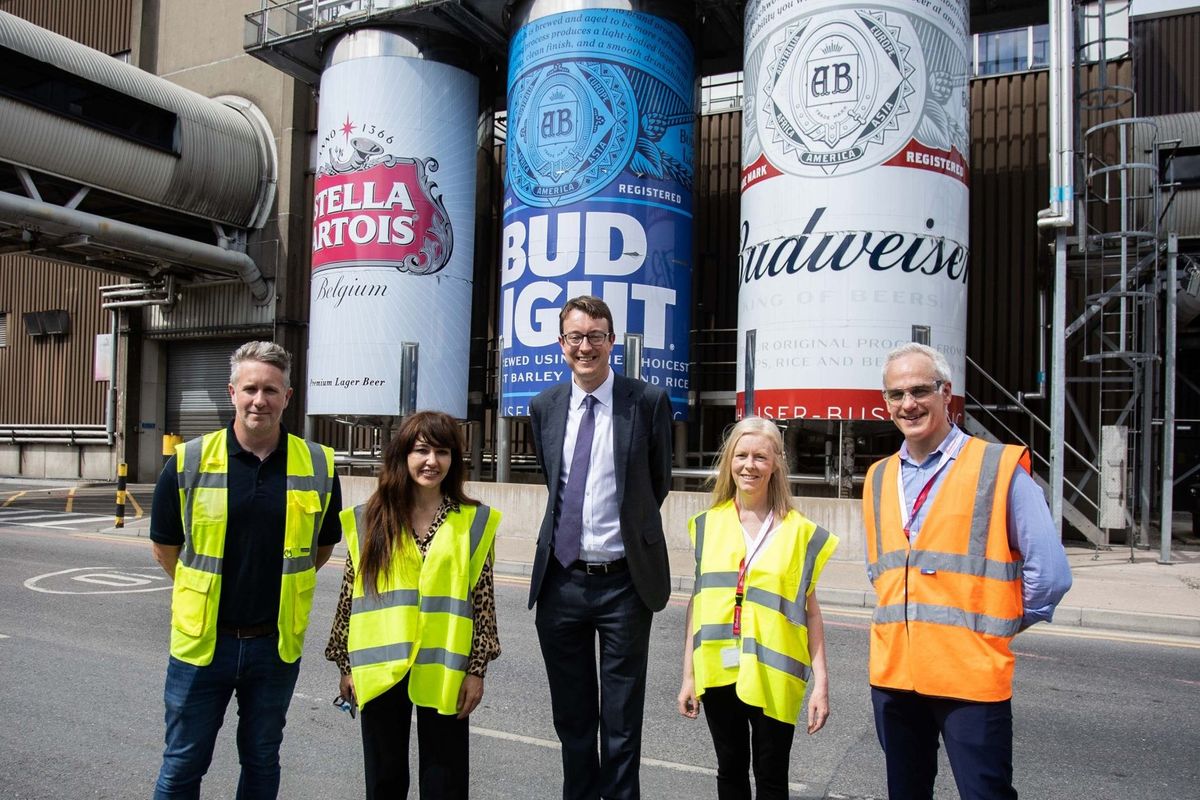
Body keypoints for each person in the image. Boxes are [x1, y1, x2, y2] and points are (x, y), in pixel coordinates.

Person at [864, 342, 1073, 800]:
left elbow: (1052, 575)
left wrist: (992, 627)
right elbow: (882, 571)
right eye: (895, 395)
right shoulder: (878, 476)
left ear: (946, 392)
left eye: (920, 390)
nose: (908, 404)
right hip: (896, 674)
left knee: (985, 794)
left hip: (970, 677)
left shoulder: (998, 468)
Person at [149, 341, 342, 799]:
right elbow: (165, 548)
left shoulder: (317, 464)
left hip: (273, 647)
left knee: (261, 761)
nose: (261, 400)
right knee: (182, 764)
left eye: (271, 390)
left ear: (288, 397)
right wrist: (205, 591)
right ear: (232, 392)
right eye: (251, 388)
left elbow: (322, 546)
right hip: (203, 645)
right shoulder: (189, 461)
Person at [527, 295, 674, 800]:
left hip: (624, 585)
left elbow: (657, 482)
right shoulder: (544, 406)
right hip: (561, 582)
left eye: (595, 336)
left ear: (612, 342)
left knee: (621, 720)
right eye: (575, 337)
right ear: (560, 344)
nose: (585, 346)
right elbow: (556, 482)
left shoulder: (647, 401)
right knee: (572, 719)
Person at [325, 411, 500, 799]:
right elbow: (350, 596)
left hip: (445, 668)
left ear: (454, 459)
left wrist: (477, 670)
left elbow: (482, 602)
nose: (431, 461)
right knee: (384, 781)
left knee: (446, 780)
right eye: (421, 450)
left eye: (442, 451)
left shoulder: (472, 521)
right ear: (403, 455)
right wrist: (346, 665)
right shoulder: (371, 519)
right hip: (381, 665)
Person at [677, 416, 839, 799]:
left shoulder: (800, 532)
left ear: (776, 464)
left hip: (774, 675)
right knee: (730, 771)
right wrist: (688, 675)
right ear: (729, 461)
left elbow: (810, 611)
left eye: (760, 457)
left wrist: (822, 684)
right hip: (718, 672)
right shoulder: (706, 524)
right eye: (741, 455)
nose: (749, 465)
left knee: (771, 777)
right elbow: (698, 604)